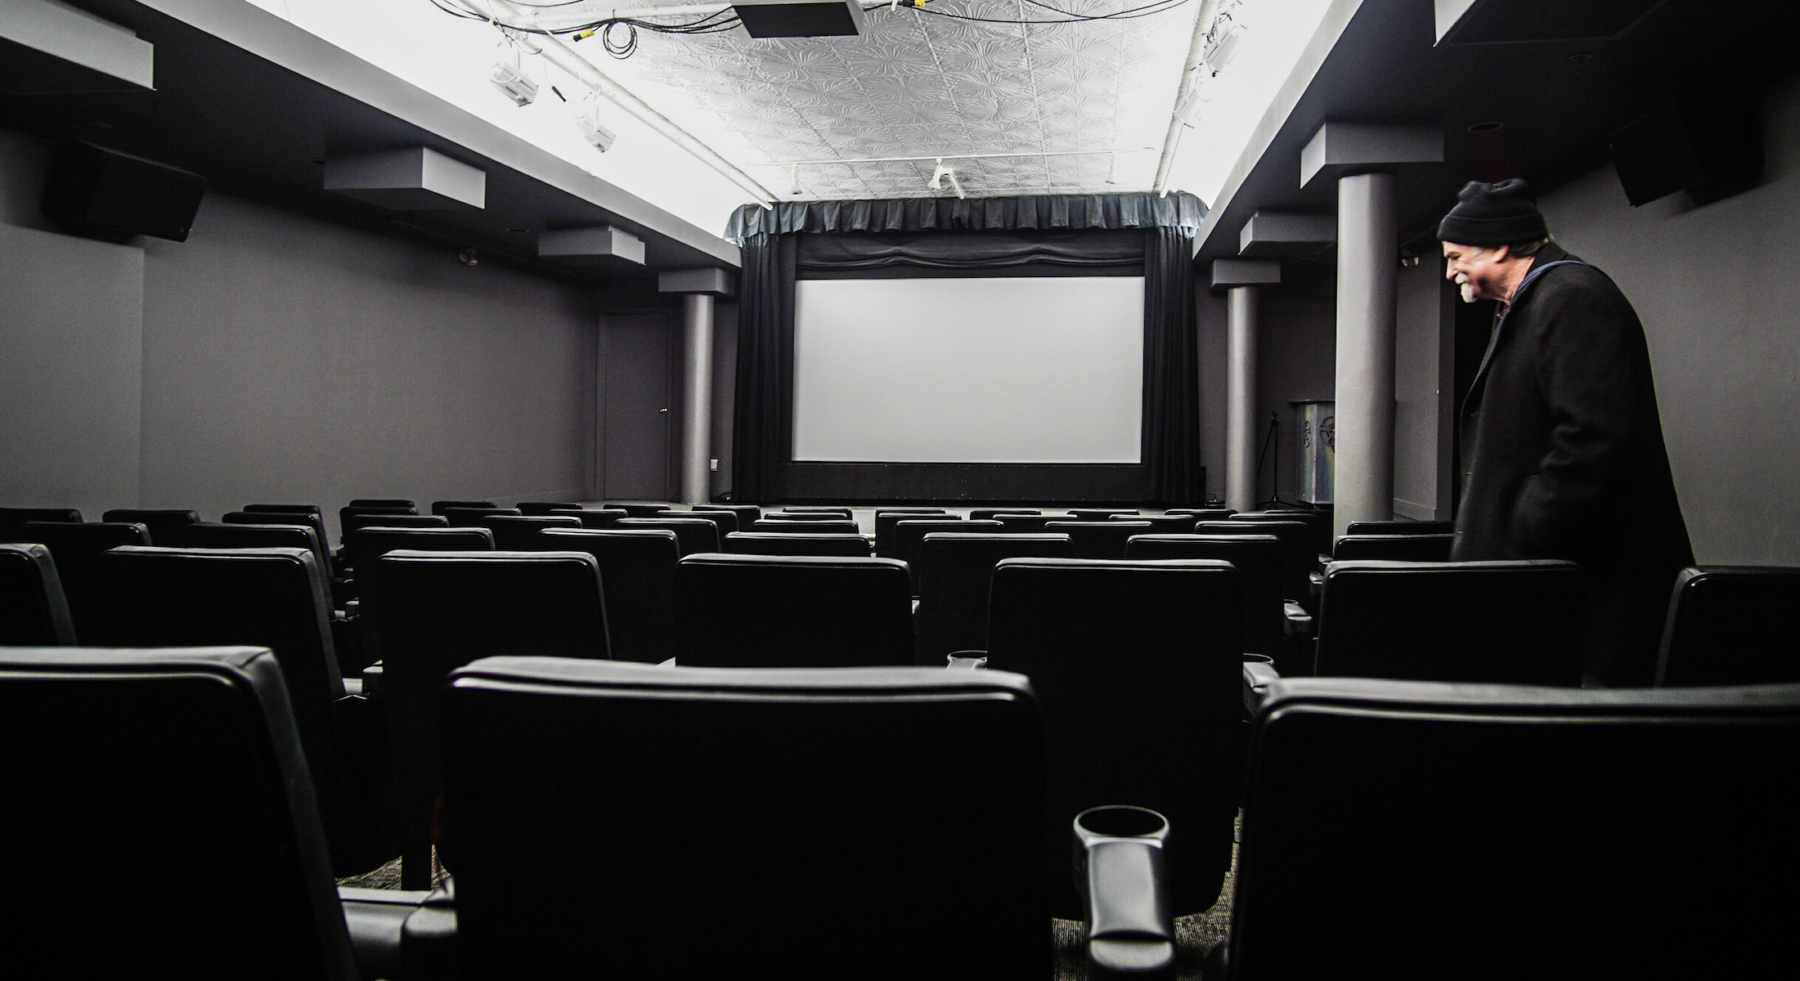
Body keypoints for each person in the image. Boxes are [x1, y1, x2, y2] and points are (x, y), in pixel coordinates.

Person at [1439, 179, 1692, 687]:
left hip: (1587, 593)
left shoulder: (1573, 298)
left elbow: (1596, 439)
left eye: (1456, 256)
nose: (1450, 271)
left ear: (1500, 245)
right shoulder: (1531, 302)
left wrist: (1527, 524)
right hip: (1553, 583)